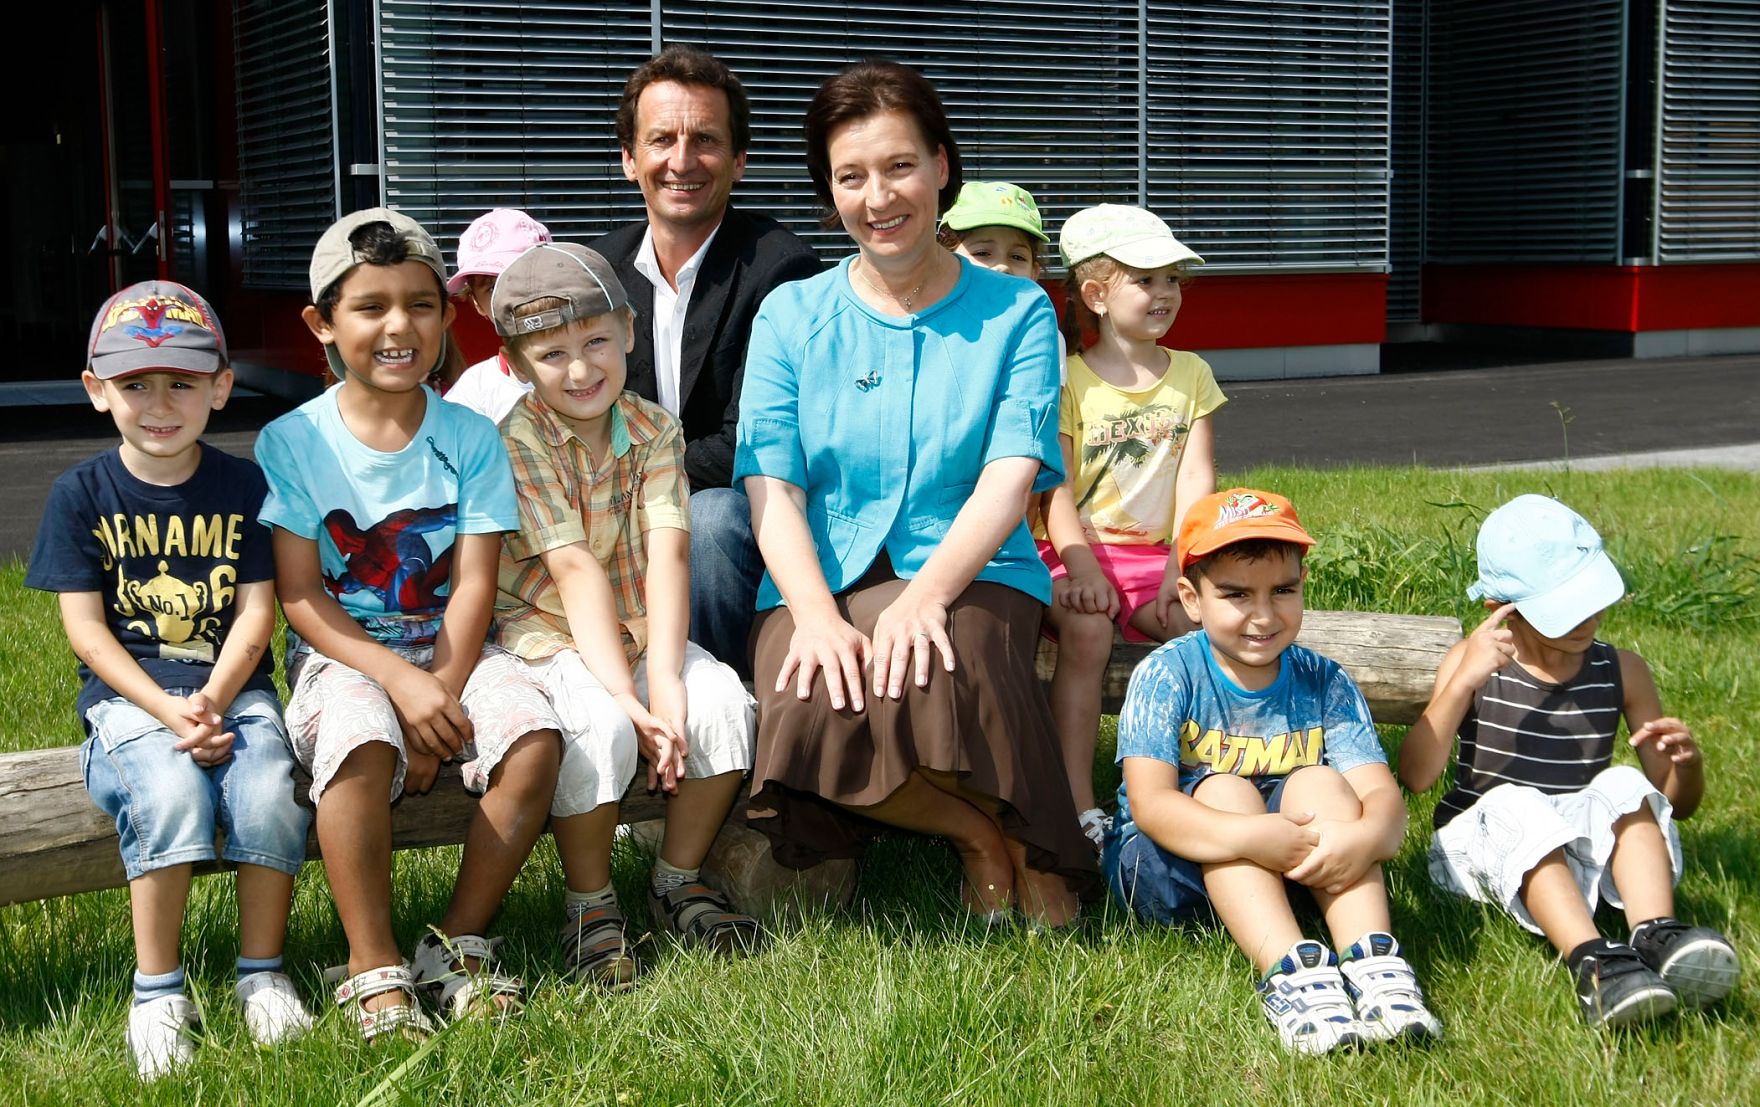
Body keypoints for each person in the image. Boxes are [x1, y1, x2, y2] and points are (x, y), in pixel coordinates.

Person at [736, 60, 1094, 928]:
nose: (878, 196)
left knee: (945, 661)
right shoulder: (789, 315)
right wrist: (816, 614)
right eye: (850, 176)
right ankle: (979, 834)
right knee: (809, 687)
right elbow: (771, 489)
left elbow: (1012, 474)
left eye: (899, 166)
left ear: (941, 165)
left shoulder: (1017, 312)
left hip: (974, 565)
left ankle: (1034, 842)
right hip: (821, 570)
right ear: (828, 188)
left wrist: (928, 596)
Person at [256, 208, 566, 1039]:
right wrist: (400, 683)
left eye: (422, 304)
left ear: (447, 313)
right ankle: (371, 959)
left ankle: (458, 939)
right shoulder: (292, 440)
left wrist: (444, 688)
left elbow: (474, 579)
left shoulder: (471, 435)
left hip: (457, 649)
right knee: (357, 739)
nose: (400, 326)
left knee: (535, 733)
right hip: (345, 655)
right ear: (322, 324)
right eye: (371, 306)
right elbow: (300, 596)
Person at [26, 281, 311, 1078]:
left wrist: (216, 699)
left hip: (233, 690)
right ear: (96, 391)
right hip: (129, 698)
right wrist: (167, 709)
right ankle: (158, 990)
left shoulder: (246, 488)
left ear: (221, 386)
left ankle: (262, 971)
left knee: (268, 788)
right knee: (172, 792)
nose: (160, 402)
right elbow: (87, 632)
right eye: (134, 383)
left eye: (182, 382)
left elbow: (258, 616)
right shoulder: (80, 494)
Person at [487, 241, 760, 986]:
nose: (580, 370)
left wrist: (665, 676)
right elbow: (573, 570)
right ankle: (589, 901)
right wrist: (625, 696)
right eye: (552, 354)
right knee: (601, 729)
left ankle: (676, 876)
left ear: (630, 332)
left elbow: (670, 549)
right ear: (514, 363)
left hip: (641, 623)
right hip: (551, 636)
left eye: (596, 341)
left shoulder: (653, 428)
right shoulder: (519, 440)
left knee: (723, 708)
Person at [1107, 489, 1441, 1054]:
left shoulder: (1325, 680)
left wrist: (1365, 838)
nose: (1264, 615)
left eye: (1282, 591)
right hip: (1168, 867)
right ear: (1191, 597)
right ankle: (1293, 975)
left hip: (1292, 860)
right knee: (1224, 788)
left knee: (1322, 782)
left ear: (1303, 585)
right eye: (1236, 594)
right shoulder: (1166, 674)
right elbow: (1152, 806)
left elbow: (1383, 801)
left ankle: (1374, 963)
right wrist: (1251, 835)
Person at [1398, 494, 1740, 1027]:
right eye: (1566, 606)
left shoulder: (1622, 669)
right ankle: (1595, 963)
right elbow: (1417, 777)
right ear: (1502, 610)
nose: (1588, 618)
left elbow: (1673, 805)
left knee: (1623, 779)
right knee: (1518, 800)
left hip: (1574, 843)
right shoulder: (1474, 662)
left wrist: (1687, 765)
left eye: (1591, 598)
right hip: (1478, 849)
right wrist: (1463, 681)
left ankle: (1656, 934)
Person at [593, 45, 821, 676]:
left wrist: (632, 485)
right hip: (616, 501)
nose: (682, 160)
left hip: (735, 507)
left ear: (740, 160)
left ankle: (719, 714)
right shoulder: (597, 273)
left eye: (707, 140)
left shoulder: (782, 269)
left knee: (712, 520)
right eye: (661, 139)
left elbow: (754, 438)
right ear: (628, 158)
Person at [1042, 204, 1225, 852]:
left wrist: (1183, 568)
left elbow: (1196, 482)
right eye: (1146, 279)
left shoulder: (1192, 375)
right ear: (1095, 294)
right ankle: (1076, 799)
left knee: (1198, 632)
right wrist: (1083, 568)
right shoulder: (1068, 379)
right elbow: (1053, 487)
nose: (1166, 292)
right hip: (1075, 554)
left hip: (1157, 560)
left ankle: (1201, 791)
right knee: (1088, 633)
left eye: (1172, 278)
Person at [443, 207, 550, 422]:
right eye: (491, 287)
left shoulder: (594, 360)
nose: (510, 295)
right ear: (477, 304)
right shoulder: (475, 390)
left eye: (519, 278)